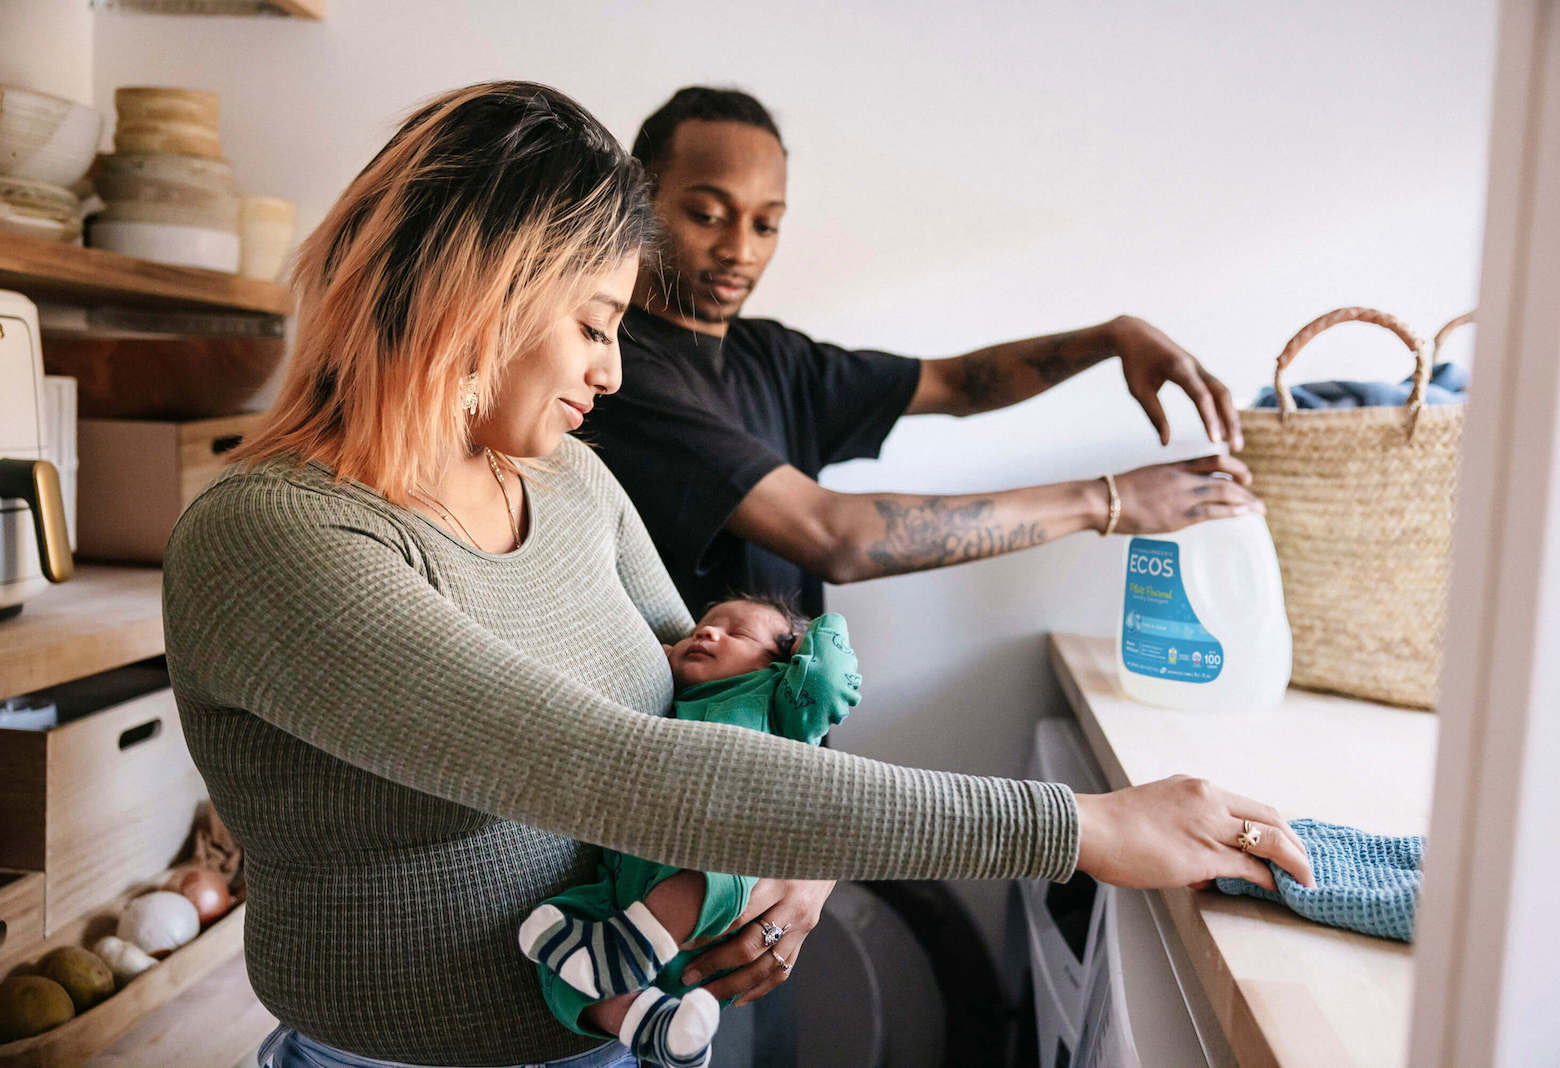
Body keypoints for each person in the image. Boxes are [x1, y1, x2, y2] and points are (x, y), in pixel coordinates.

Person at [161, 81, 1310, 1068]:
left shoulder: (563, 483)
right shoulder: (275, 542)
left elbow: (722, 722)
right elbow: (611, 770)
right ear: (489, 294)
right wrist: (1074, 827)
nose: (613, 371)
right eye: (597, 324)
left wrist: (800, 862)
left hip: (639, 1033)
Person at [581, 87, 1263, 618]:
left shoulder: (773, 357)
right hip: (697, 767)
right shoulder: (618, 371)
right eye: (708, 214)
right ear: (643, 194)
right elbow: (834, 536)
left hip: (790, 757)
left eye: (766, 224)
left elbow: (958, 384)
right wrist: (1103, 501)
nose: (741, 250)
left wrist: (1113, 338)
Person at [519, 597, 857, 1068]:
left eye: (737, 633)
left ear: (786, 664)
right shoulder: (670, 701)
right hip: (623, 891)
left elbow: (831, 681)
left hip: (717, 898)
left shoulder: (780, 709)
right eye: (700, 628)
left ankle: (633, 948)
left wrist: (820, 631)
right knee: (561, 936)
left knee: (713, 870)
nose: (706, 633)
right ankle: (647, 1024)